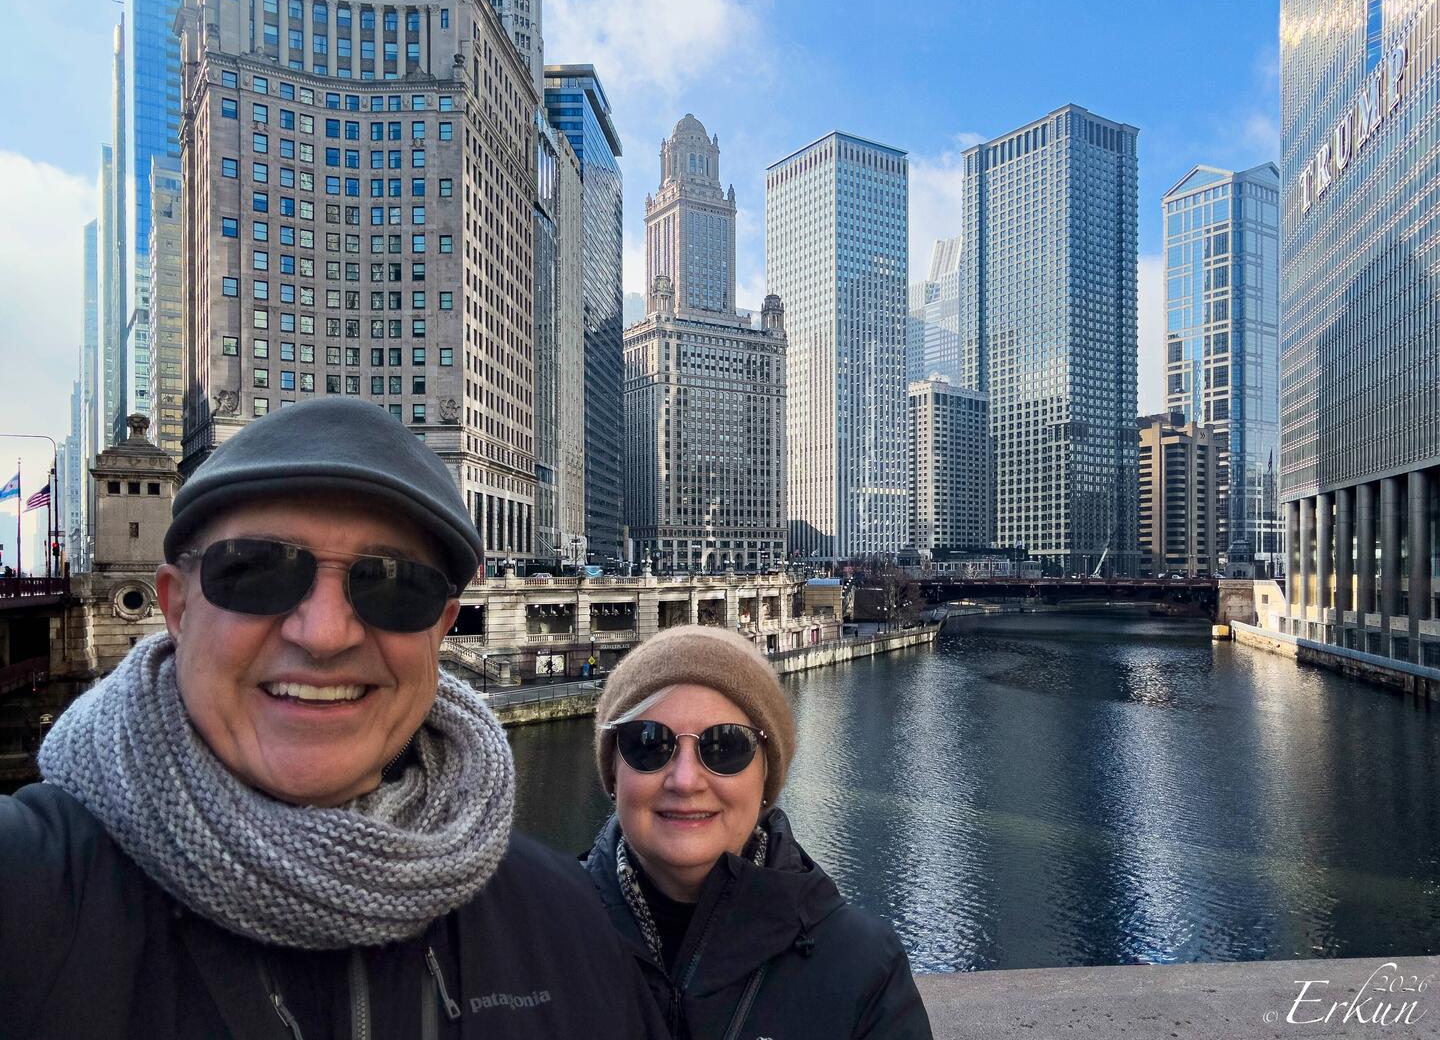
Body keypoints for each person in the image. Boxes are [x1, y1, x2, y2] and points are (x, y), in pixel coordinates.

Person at [0, 397, 667, 1040]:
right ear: (176, 607)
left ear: (440, 627)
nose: (323, 634)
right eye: (257, 570)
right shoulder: (33, 890)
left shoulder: (567, 920)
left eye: (392, 583)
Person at [583, 625, 933, 1039]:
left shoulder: (864, 967)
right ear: (613, 774)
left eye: (725, 746)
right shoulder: (530, 938)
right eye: (649, 743)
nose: (685, 780)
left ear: (766, 777)